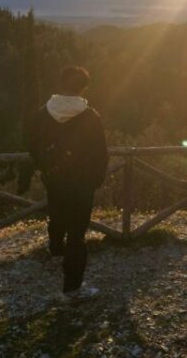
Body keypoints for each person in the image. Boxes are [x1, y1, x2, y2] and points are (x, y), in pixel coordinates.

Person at [30, 65, 109, 300]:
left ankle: (55, 252)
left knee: (56, 214)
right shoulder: (90, 116)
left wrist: (45, 169)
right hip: (82, 184)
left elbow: (33, 146)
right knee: (77, 234)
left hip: (55, 179)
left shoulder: (43, 113)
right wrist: (96, 180)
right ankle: (72, 288)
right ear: (83, 87)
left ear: (61, 83)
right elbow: (100, 153)